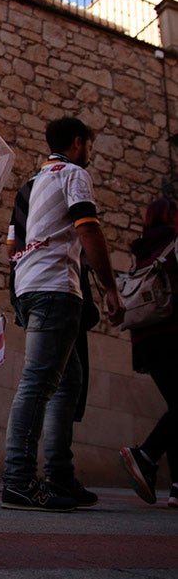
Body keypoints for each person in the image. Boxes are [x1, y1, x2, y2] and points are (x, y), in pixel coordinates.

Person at [2, 116, 124, 512]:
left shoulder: (29, 186)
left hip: (28, 288)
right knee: (38, 382)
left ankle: (59, 474)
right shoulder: (73, 174)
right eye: (89, 146)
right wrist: (109, 287)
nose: (90, 154)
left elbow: (10, 248)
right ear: (77, 144)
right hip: (56, 289)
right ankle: (19, 479)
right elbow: (89, 230)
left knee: (67, 381)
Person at [119, 197, 178, 508]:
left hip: (144, 340)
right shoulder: (173, 242)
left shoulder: (142, 251)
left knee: (175, 406)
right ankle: (145, 456)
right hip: (170, 333)